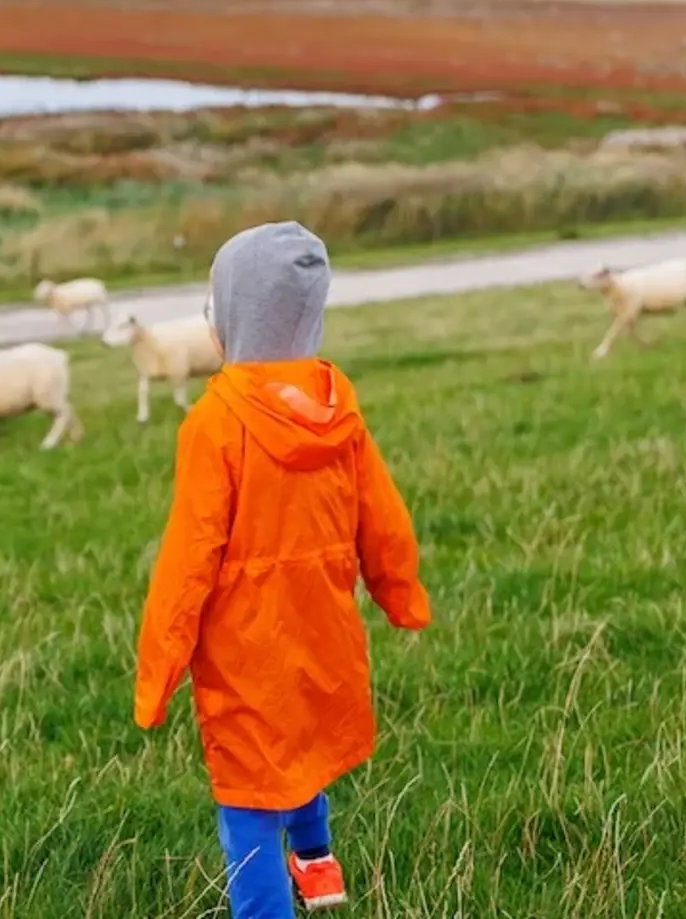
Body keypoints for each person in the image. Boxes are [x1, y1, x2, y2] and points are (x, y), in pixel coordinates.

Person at [133, 221, 431, 917]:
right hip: (323, 623)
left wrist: (157, 673)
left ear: (229, 321)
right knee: (303, 740)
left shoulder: (216, 423)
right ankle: (320, 866)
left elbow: (187, 557)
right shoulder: (338, 407)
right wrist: (400, 593)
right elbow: (383, 517)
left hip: (245, 648)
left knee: (248, 793)